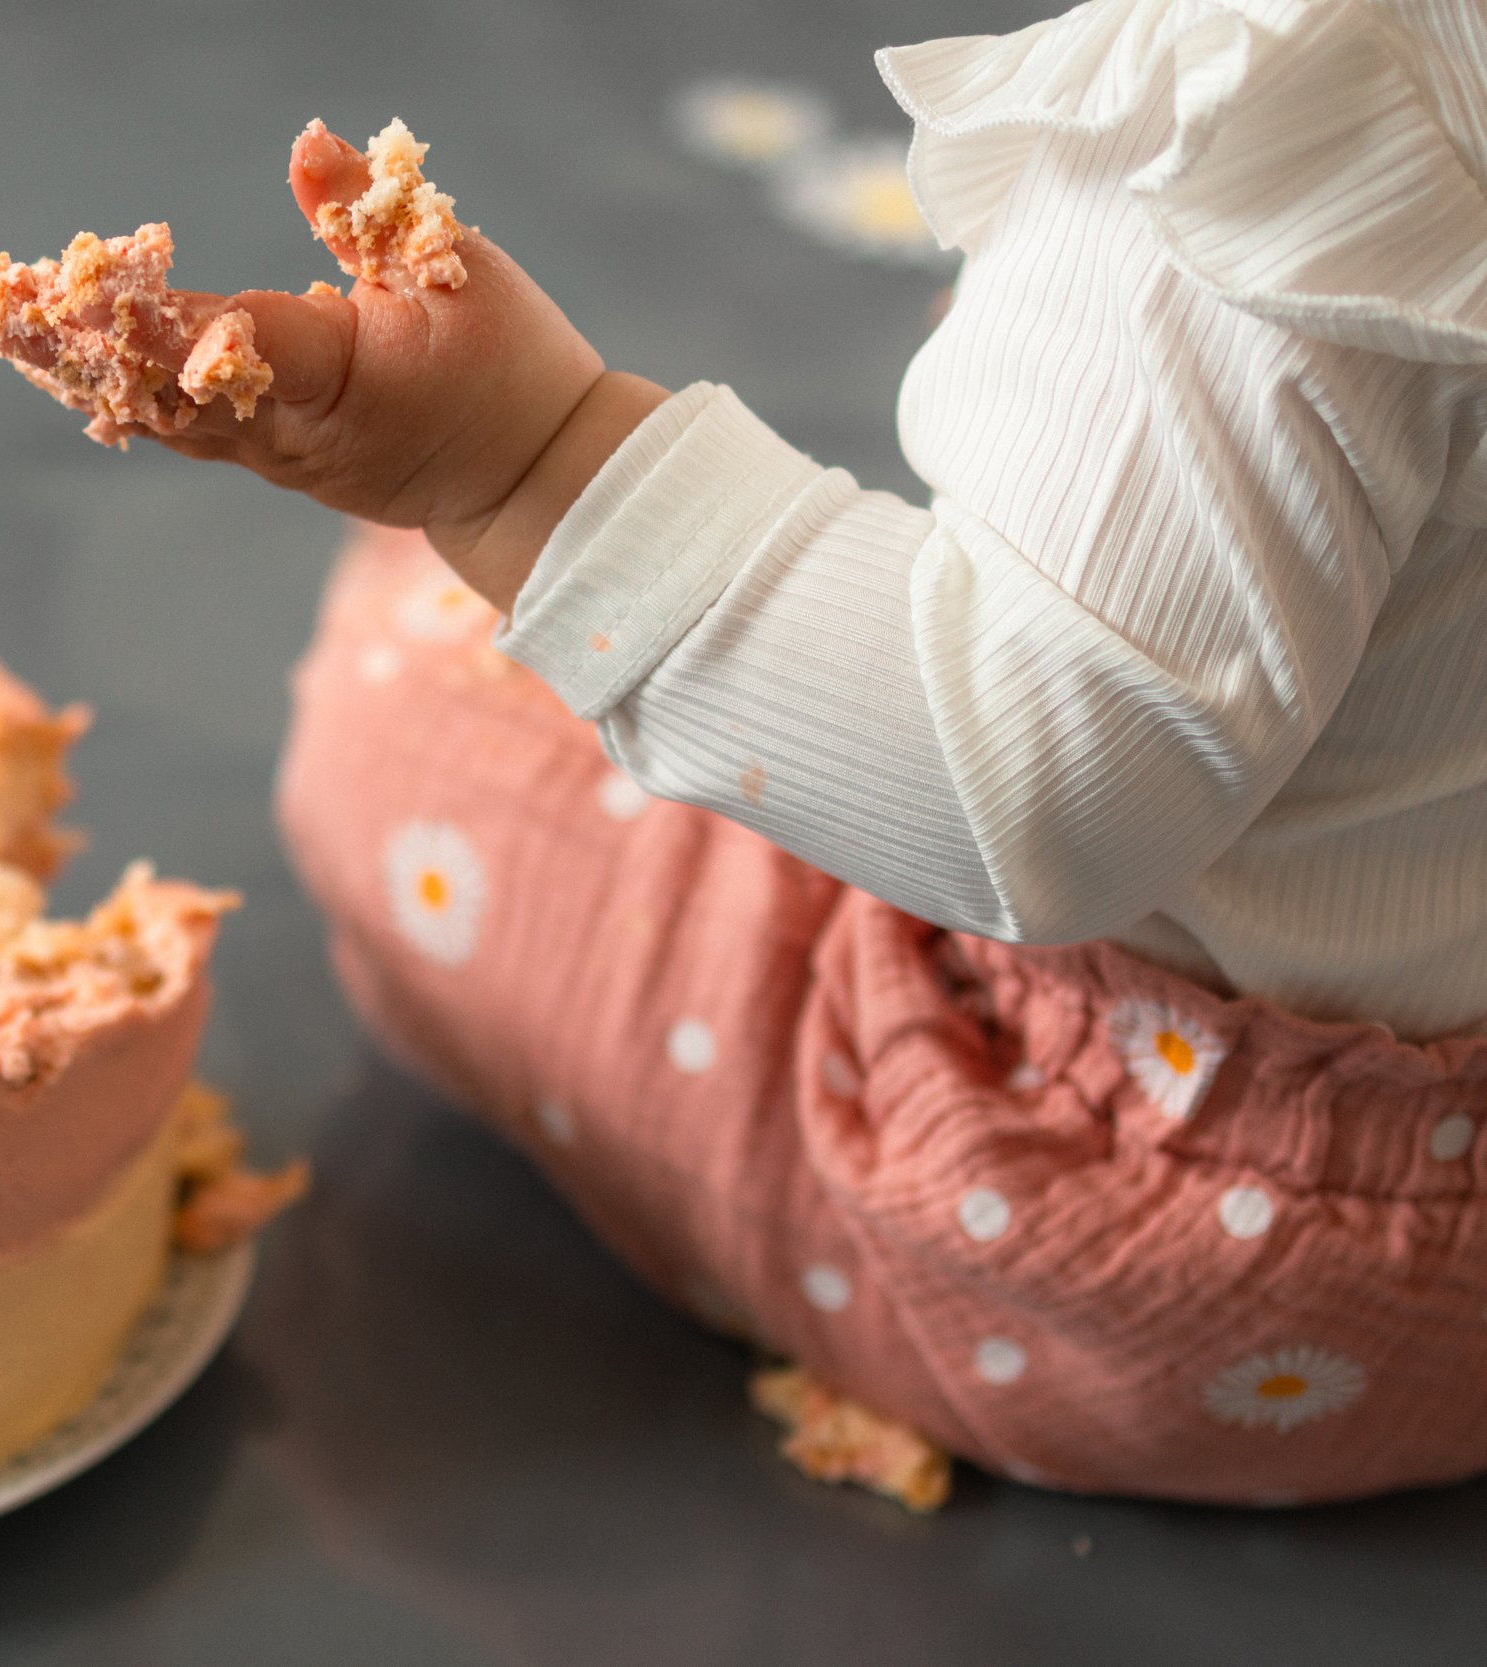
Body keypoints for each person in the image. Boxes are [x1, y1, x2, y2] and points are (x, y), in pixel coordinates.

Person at [77, 1, 1487, 1504]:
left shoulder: (1284, 104)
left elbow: (1026, 784)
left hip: (1225, 1252)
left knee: (403, 703)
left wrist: (523, 465)